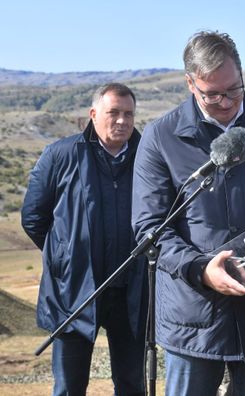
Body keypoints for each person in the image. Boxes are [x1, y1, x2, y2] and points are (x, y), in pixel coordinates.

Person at [131, 30, 245, 396]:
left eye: (234, 89)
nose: (226, 101)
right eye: (212, 94)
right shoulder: (161, 136)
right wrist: (201, 269)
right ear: (189, 84)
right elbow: (150, 227)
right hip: (193, 317)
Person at [21, 83, 147, 395]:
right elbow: (33, 218)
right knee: (69, 387)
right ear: (93, 115)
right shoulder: (60, 155)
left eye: (128, 114)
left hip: (131, 291)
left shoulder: (147, 158)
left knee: (132, 384)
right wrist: (65, 258)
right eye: (113, 113)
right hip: (73, 293)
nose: (122, 121)